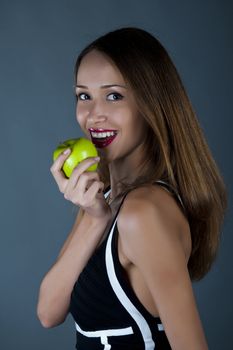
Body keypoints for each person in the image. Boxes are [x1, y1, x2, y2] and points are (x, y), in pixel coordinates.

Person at [37, 27, 227, 349]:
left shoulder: (143, 212)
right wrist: (94, 218)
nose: (93, 115)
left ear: (150, 104)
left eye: (114, 95)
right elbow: (49, 312)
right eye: (84, 95)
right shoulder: (105, 199)